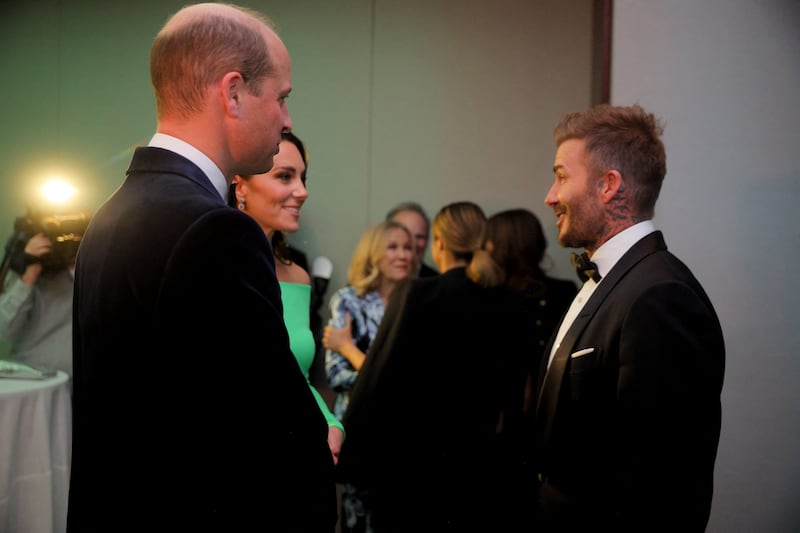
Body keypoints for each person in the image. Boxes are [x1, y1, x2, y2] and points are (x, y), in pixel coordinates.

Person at [67, 4, 337, 532]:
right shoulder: (214, 228)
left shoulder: (113, 211)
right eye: (281, 98)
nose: (287, 119)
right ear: (232, 92)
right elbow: (269, 428)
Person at [535, 103, 725, 531]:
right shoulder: (612, 280)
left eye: (562, 176)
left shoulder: (660, 296)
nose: (550, 195)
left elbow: (661, 487)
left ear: (609, 186)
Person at [336, 201, 534, 532]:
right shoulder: (510, 302)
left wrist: (351, 463)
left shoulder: (418, 293)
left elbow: (379, 382)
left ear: (438, 242)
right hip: (484, 468)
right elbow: (517, 396)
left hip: (414, 471)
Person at [232, 130, 345, 465]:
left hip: (299, 461)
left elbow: (300, 378)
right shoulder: (219, 270)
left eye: (303, 177)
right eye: (285, 176)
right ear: (240, 187)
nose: (303, 191)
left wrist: (330, 421)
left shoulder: (297, 276)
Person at [466, 207, 577, 530]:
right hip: (553, 427)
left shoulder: (487, 296)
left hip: (498, 431)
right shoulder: (566, 292)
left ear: (499, 246)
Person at [322, 219, 414, 533]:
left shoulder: (415, 301)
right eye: (393, 247)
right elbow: (336, 376)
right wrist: (390, 377)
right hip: (363, 431)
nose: (404, 255)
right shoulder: (349, 301)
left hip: (405, 434)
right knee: (359, 521)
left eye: (408, 248)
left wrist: (350, 348)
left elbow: (416, 380)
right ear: (373, 254)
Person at [0, 210, 89, 381]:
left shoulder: (99, 275)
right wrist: (29, 274)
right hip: (36, 380)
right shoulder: (26, 273)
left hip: (83, 382)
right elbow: (5, 330)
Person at [386, 201, 438, 277]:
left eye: (420, 237)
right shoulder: (370, 280)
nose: (413, 243)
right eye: (406, 235)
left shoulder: (438, 283)